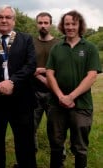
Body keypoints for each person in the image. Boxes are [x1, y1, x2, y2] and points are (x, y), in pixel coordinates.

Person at [0, 5, 37, 168]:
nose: (4, 20)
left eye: (8, 17)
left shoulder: (26, 39)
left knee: (25, 142)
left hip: (21, 99)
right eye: (0, 17)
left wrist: (12, 82)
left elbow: (31, 65)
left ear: (14, 20)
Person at [46, 10, 102, 168]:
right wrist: (60, 96)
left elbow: (91, 76)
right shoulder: (57, 48)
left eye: (73, 24)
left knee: (80, 147)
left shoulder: (90, 48)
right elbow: (50, 74)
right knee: (56, 143)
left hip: (81, 105)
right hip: (56, 104)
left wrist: (71, 97)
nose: (70, 27)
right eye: (67, 24)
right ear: (63, 26)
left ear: (80, 25)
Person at [32, 12, 59, 152]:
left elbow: (61, 68)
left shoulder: (59, 44)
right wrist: (37, 73)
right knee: (31, 126)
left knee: (56, 128)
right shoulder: (30, 43)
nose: (43, 26)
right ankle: (30, 154)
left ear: (50, 24)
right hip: (33, 92)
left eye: (46, 23)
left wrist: (42, 70)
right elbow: (27, 65)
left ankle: (60, 155)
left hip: (53, 93)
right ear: (36, 24)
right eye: (40, 23)